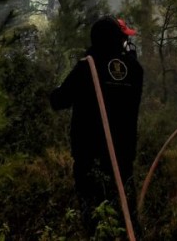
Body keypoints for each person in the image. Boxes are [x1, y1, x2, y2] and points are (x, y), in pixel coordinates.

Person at [50, 15, 144, 233]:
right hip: (123, 156)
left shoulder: (86, 67)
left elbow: (59, 100)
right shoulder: (134, 69)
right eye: (123, 38)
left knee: (93, 214)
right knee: (126, 213)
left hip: (88, 156)